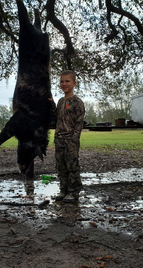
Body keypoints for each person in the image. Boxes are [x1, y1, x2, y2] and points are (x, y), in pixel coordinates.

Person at [50, 70, 85, 203]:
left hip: (71, 140)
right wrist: (52, 104)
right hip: (59, 139)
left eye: (67, 81)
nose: (64, 84)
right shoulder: (60, 102)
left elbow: (79, 123)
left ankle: (73, 192)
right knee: (61, 166)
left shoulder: (77, 102)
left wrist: (73, 140)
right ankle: (63, 190)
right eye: (62, 81)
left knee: (72, 166)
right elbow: (56, 117)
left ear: (74, 83)